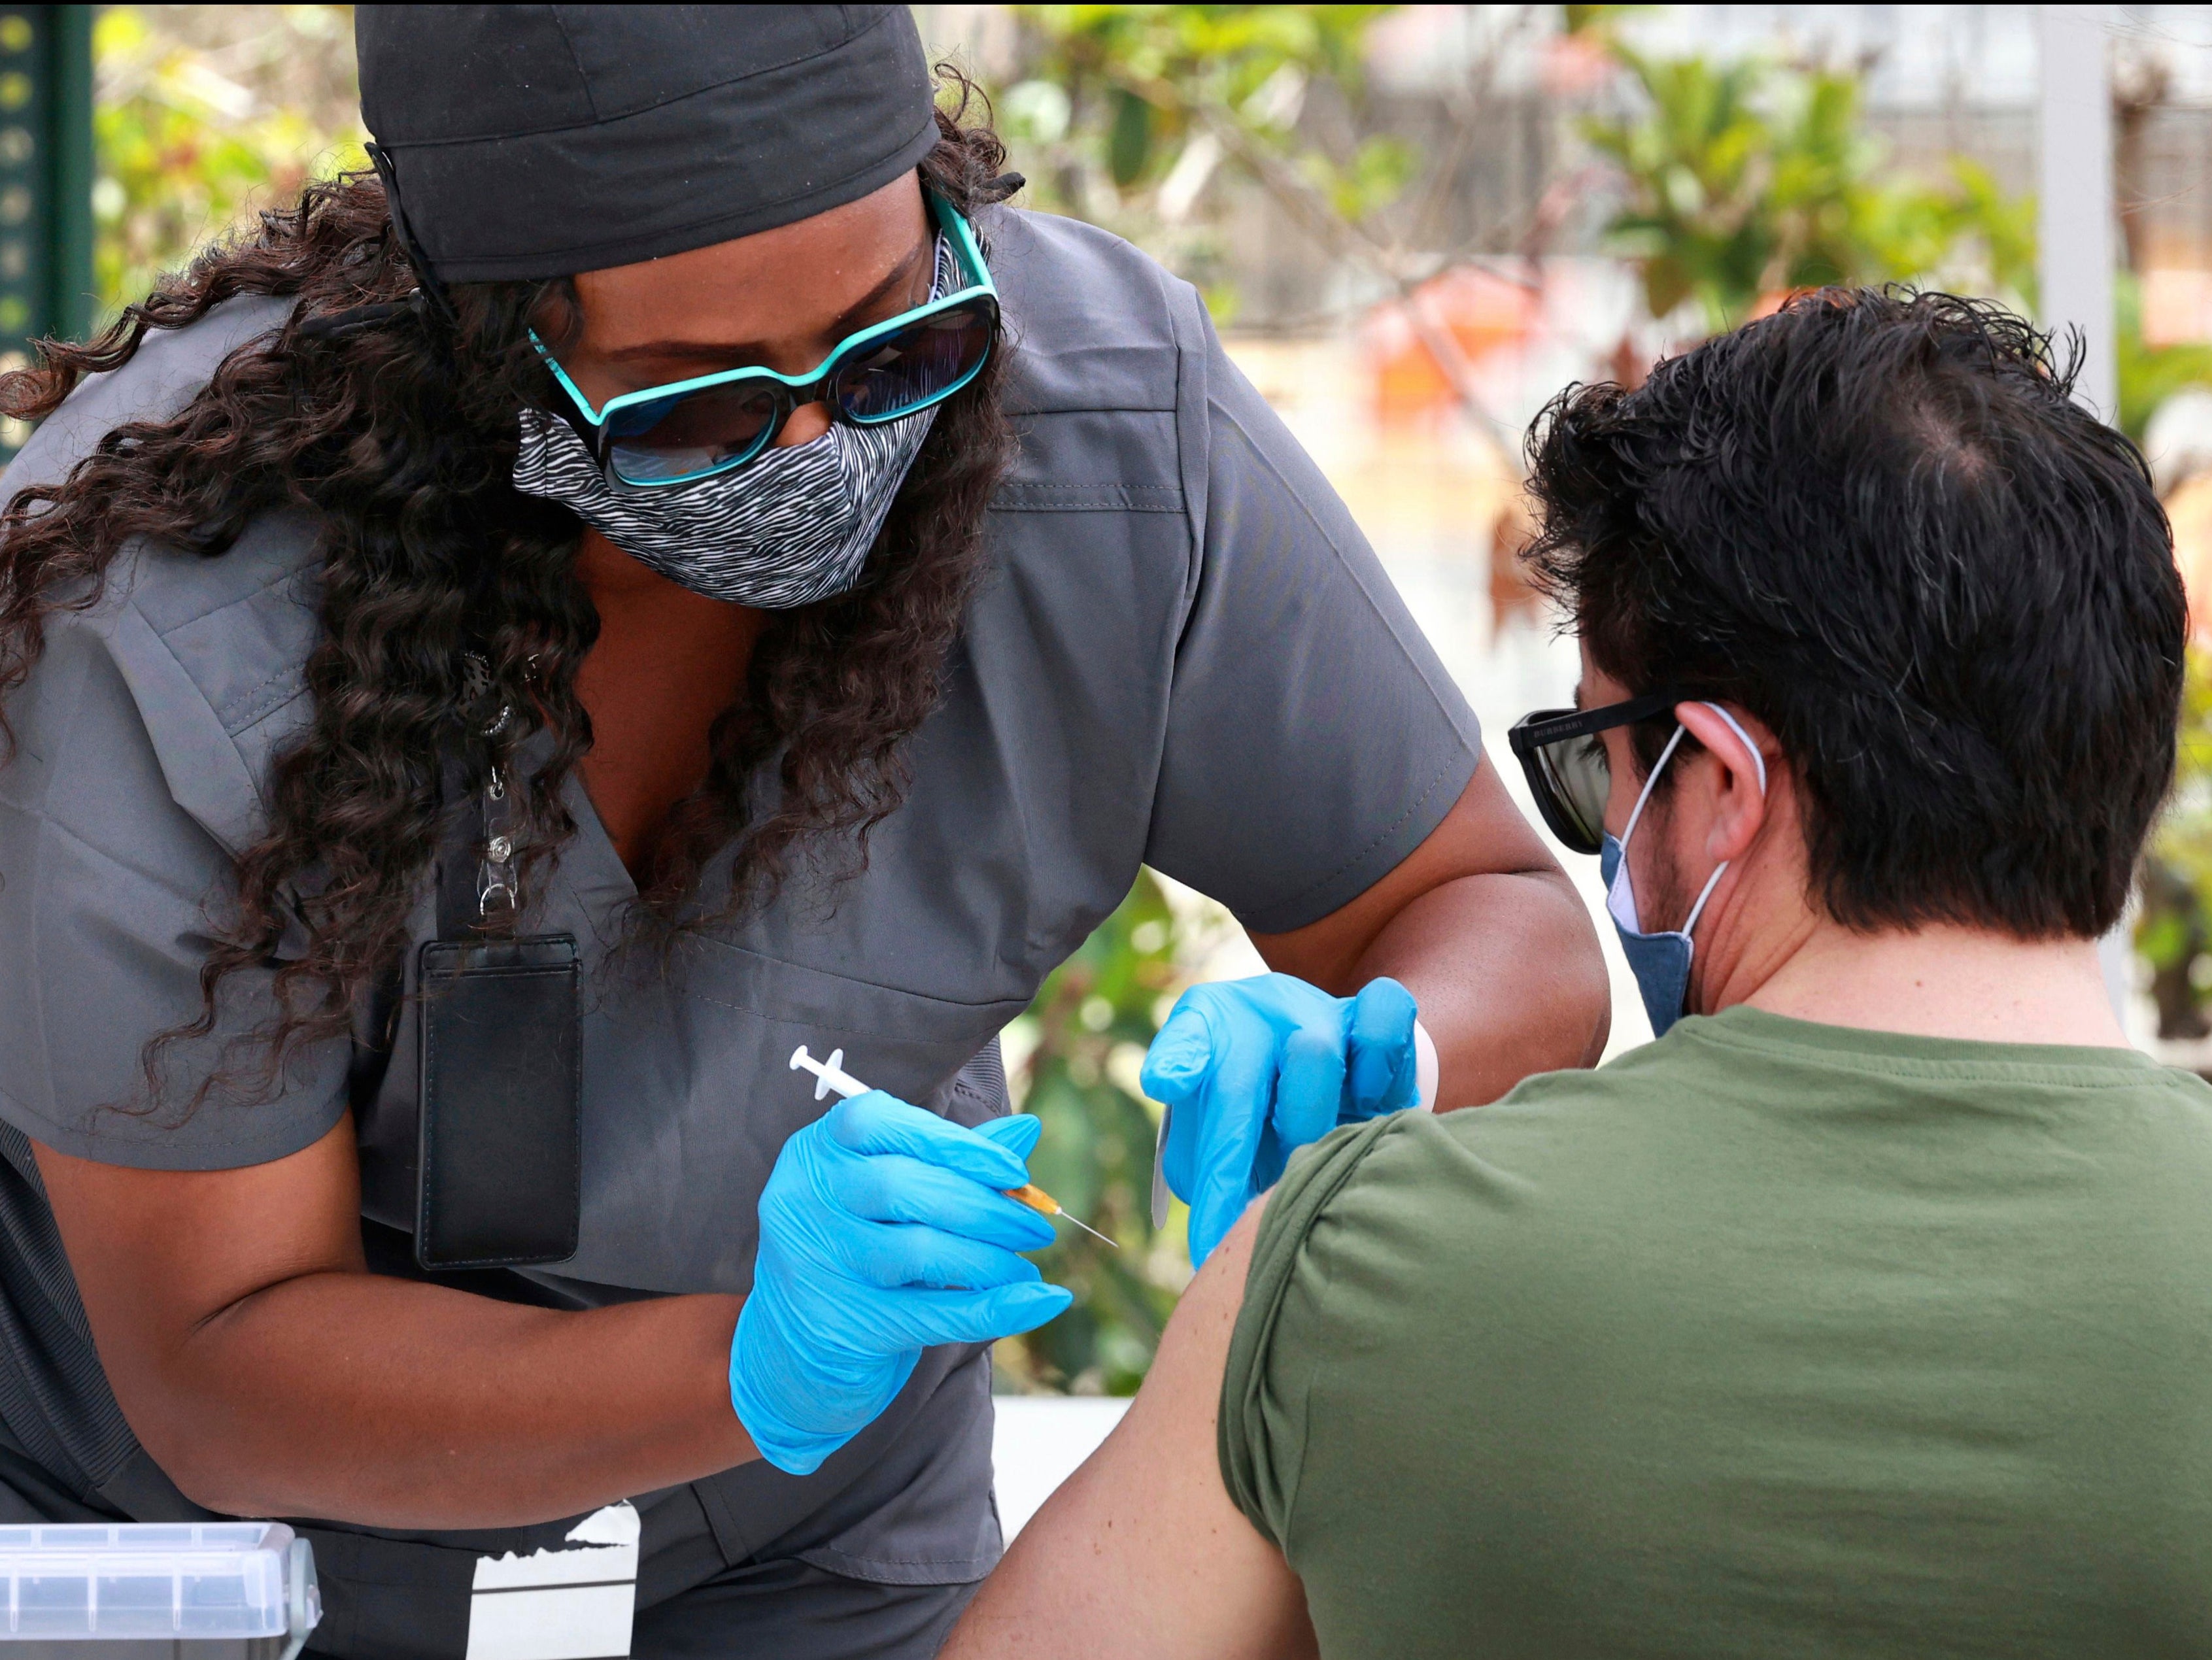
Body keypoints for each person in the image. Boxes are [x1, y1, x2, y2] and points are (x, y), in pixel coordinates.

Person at [0, 6, 1607, 1657]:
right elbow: (221, 1353)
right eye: (693, 405)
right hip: (237, 1562)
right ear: (484, 358)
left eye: (886, 345)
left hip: (811, 1562)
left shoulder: (1101, 426)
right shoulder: (175, 613)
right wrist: (752, 1363)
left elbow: (1491, 912)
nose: (823, 448)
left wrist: (1385, 1061)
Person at [944, 289, 2212, 1659]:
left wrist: (1300, 1323)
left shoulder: (1355, 1267)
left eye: (1588, 766)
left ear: (1717, 781)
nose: (1599, 831)